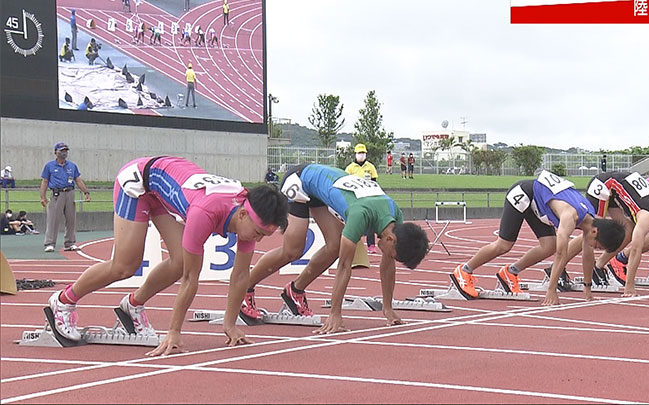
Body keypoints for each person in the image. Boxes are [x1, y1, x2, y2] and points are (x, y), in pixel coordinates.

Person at [46, 156, 288, 352]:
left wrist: (230, 325)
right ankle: (63, 301)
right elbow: (190, 280)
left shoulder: (249, 215)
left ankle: (132, 305)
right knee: (124, 266)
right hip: (138, 184)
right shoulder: (204, 213)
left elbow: (240, 275)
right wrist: (174, 331)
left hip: (162, 187)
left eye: (262, 237)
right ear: (243, 215)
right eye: (257, 233)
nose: (256, 240)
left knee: (180, 261)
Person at [235, 163, 429, 334]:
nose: (389, 257)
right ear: (390, 239)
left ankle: (295, 291)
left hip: (321, 191)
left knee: (334, 246)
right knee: (293, 250)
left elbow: (388, 267)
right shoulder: (361, 215)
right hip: (300, 180)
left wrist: (388, 308)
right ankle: (244, 288)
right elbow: (344, 266)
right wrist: (335, 314)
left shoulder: (397, 219)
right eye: (392, 254)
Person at [450, 170, 625, 304]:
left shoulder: (593, 221)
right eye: (598, 246)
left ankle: (510, 272)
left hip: (539, 205)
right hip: (524, 194)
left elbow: (588, 257)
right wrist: (551, 289)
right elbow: (561, 254)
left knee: (548, 245)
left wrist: (588, 290)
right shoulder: (570, 216)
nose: (595, 248)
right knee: (505, 244)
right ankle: (464, 270)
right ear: (595, 233)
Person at [576, 171, 649, 298]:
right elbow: (635, 251)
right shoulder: (646, 218)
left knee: (626, 232)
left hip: (617, 190)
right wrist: (629, 286)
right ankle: (558, 268)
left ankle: (597, 266)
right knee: (591, 233)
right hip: (604, 185)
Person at [40, 142, 90, 253]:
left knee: (71, 219)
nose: (64, 153)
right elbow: (45, 181)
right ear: (56, 152)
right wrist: (42, 197)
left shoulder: (72, 166)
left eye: (66, 151)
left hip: (70, 192)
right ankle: (50, 243)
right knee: (53, 219)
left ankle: (70, 243)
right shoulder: (49, 166)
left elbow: (78, 180)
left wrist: (86, 192)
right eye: (61, 151)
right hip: (57, 194)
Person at [345, 143, 380, 252]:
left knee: (370, 221)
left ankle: (371, 245)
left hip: (368, 197)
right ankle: (354, 245)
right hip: (355, 197)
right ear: (355, 154)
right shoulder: (350, 168)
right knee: (355, 221)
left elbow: (374, 181)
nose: (361, 155)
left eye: (363, 153)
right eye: (359, 153)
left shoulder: (370, 167)